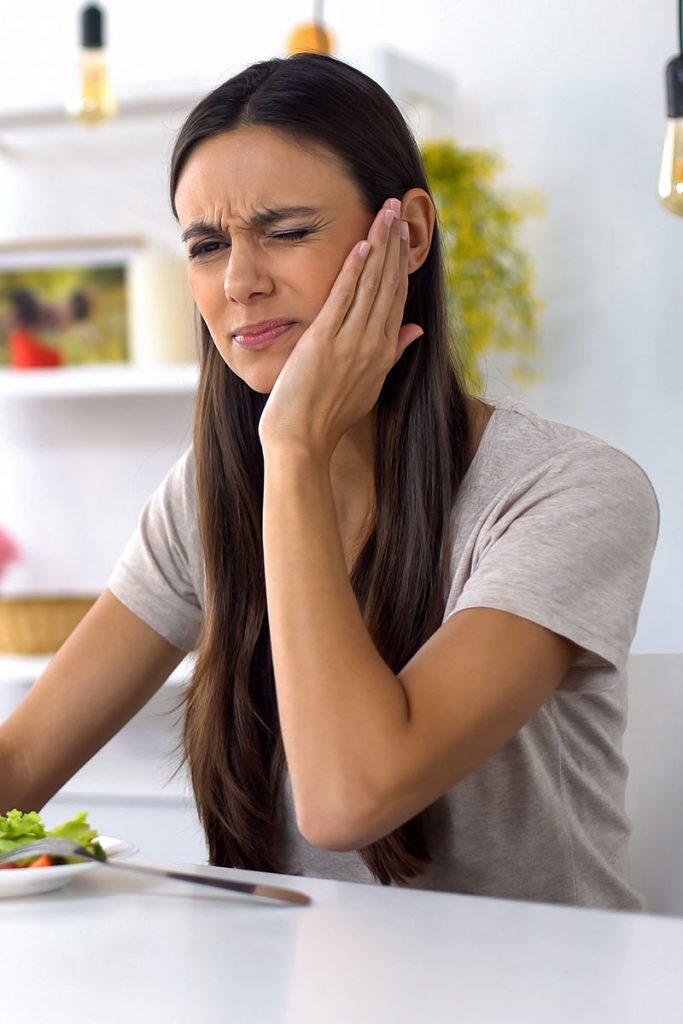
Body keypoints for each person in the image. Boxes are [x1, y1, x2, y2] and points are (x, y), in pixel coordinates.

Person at [0, 53, 659, 909]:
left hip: (530, 986)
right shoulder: (208, 495)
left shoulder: (567, 491)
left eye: (286, 230)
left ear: (409, 234)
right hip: (288, 982)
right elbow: (19, 764)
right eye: (206, 245)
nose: (239, 281)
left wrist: (297, 451)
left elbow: (350, 799)